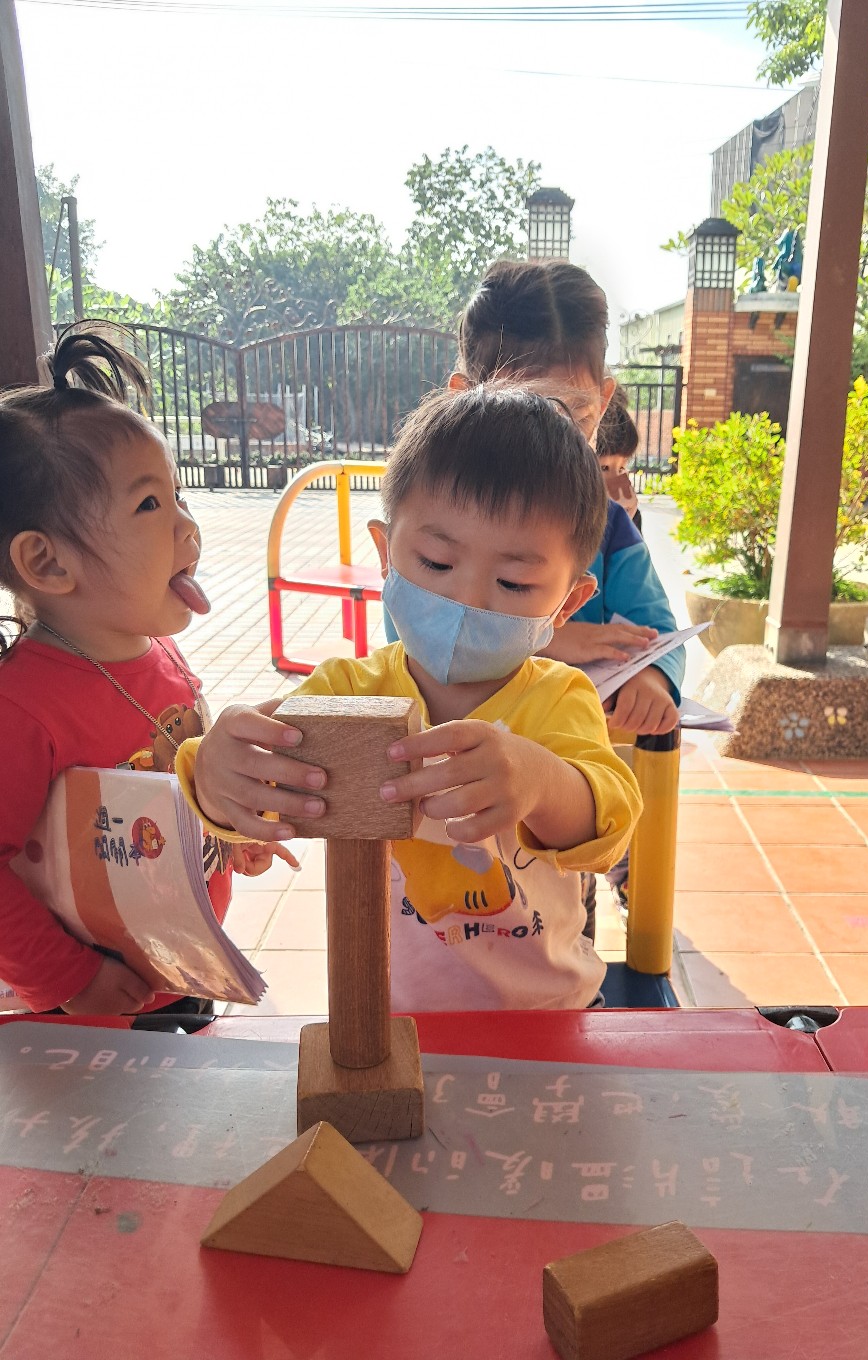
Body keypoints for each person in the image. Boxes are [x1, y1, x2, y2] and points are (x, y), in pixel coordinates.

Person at [177, 384, 642, 1011]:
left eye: (513, 582)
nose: (466, 599)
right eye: (435, 563)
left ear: (568, 602)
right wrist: (215, 777)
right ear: (385, 554)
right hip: (384, 1017)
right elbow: (255, 786)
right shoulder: (347, 691)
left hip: (549, 1014)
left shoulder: (559, 698)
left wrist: (540, 781)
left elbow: (610, 824)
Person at [0, 324, 290, 1024]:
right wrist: (71, 980)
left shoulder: (156, 652)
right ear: (47, 563)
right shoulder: (23, 708)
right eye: (150, 505)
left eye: (179, 495)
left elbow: (174, 782)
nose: (188, 526)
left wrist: (228, 835)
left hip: (181, 964)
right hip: (86, 1006)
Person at [453, 259, 685, 924]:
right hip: (455, 802)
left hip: (570, 797)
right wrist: (558, 639)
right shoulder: (441, 524)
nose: (545, 445)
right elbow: (408, 643)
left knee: (561, 925)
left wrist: (654, 679)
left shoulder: (608, 526)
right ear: (462, 400)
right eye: (523, 412)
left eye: (572, 416)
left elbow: (658, 630)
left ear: (602, 404)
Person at [596, 386, 642, 535]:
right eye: (604, 468)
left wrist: (625, 524)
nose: (617, 481)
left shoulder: (631, 516)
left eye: (622, 469)